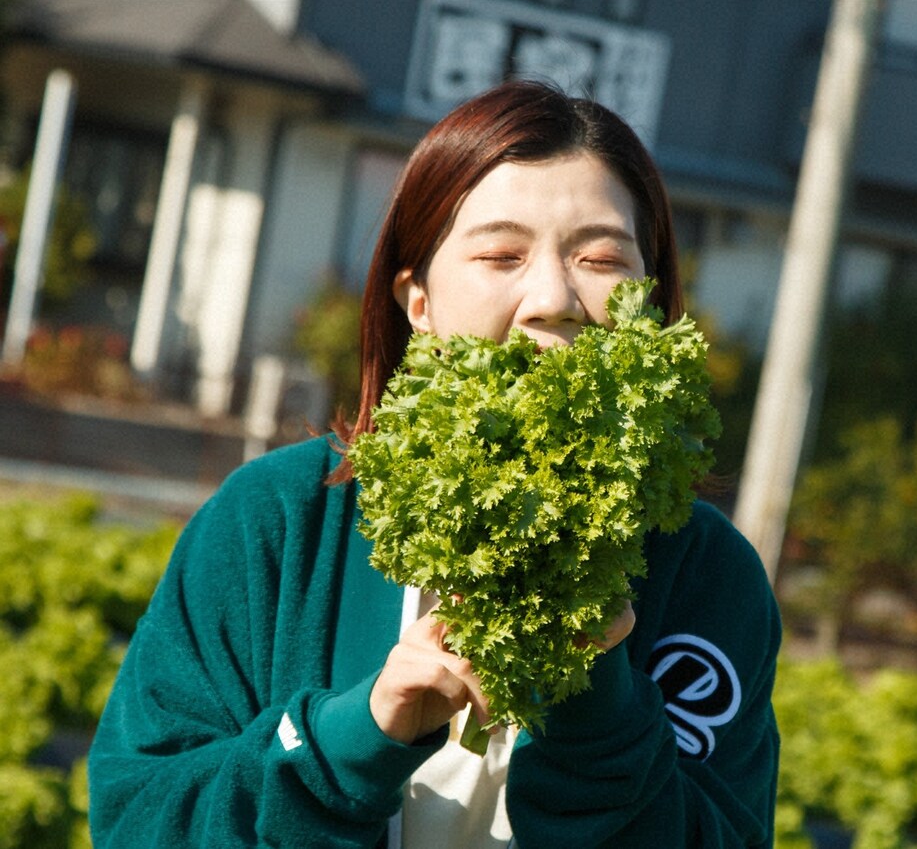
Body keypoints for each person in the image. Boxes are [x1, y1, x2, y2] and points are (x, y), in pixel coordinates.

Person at [87, 79, 781, 849]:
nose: (553, 296)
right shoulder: (278, 521)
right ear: (417, 300)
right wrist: (352, 737)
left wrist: (602, 717)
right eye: (500, 254)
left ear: (651, 298)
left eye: (600, 257)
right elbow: (140, 819)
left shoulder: (709, 576)